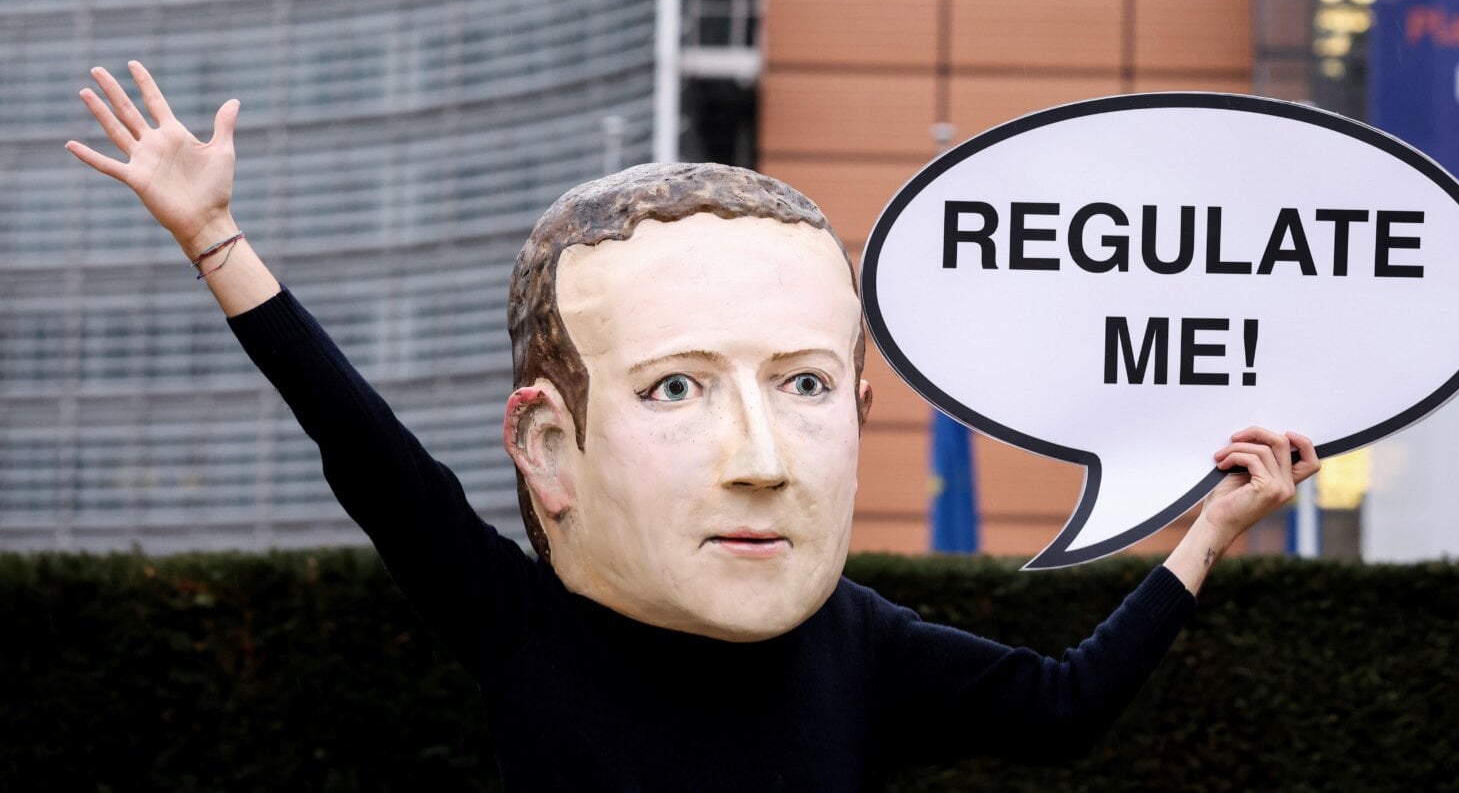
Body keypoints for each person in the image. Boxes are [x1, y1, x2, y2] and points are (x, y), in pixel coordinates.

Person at [66, 61, 1321, 790]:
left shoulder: (861, 645)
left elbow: (1062, 708)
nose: (762, 461)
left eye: (806, 386)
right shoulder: (524, 629)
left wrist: (1208, 526)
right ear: (546, 449)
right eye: (676, 388)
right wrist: (217, 241)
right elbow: (364, 449)